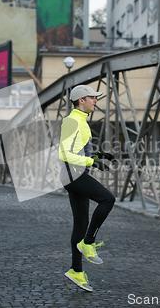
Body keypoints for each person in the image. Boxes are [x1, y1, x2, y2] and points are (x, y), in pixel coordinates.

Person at [58, 85, 116, 292]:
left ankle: (76, 270)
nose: (96, 101)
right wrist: (93, 162)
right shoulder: (72, 121)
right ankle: (88, 242)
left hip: (76, 174)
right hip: (73, 176)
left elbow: (77, 150)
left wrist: (100, 155)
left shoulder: (80, 120)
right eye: (93, 98)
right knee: (108, 199)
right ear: (81, 100)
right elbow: (64, 154)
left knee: (80, 223)